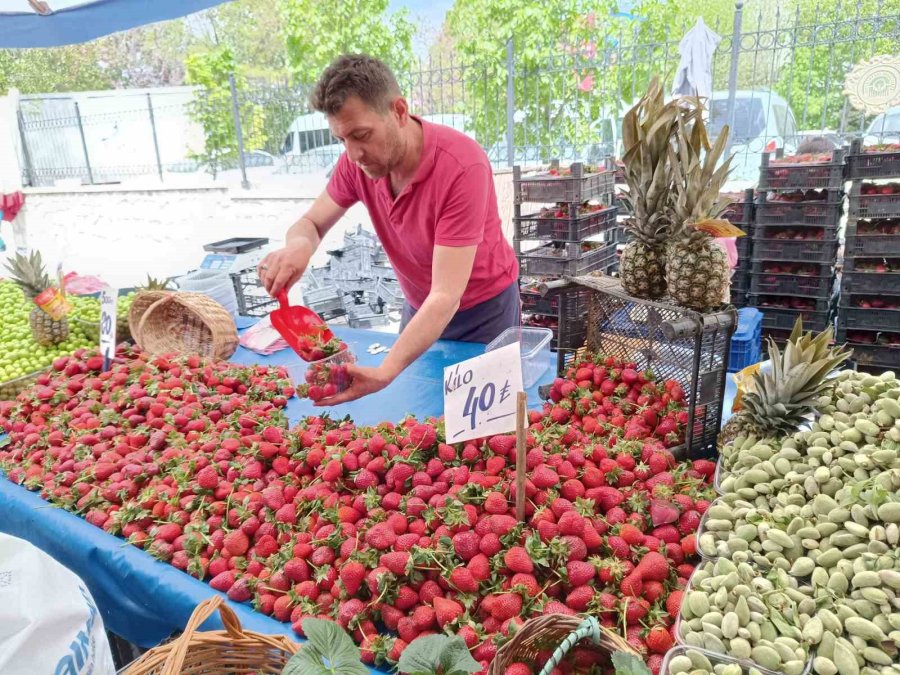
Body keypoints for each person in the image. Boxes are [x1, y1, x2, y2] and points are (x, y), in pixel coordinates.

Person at [258, 54, 520, 405]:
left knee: (481, 435)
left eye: (361, 135)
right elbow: (312, 222)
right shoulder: (359, 163)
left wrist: (386, 370)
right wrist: (299, 247)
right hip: (419, 308)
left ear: (398, 111)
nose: (353, 154)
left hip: (483, 314)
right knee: (420, 418)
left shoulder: (462, 165)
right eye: (342, 139)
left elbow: (445, 295)